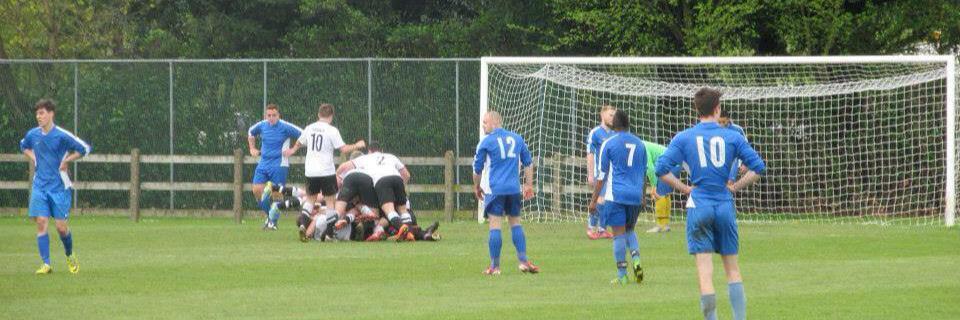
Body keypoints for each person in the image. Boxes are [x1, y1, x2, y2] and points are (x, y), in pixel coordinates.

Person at [656, 88, 766, 320]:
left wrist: (685, 189)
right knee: (733, 270)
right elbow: (758, 167)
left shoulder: (684, 137)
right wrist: (735, 186)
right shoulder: (733, 136)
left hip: (699, 205)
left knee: (705, 275)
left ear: (697, 110)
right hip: (724, 204)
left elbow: (661, 169)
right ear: (717, 109)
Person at [20, 99, 91, 274]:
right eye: (37, 113)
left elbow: (85, 149)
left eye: (42, 113)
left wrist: (67, 160)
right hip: (40, 186)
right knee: (41, 222)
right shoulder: (33, 134)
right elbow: (23, 146)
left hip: (59, 188)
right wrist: (34, 157)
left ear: (51, 114)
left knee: (61, 228)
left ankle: (69, 254)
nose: (39, 116)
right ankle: (46, 264)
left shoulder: (61, 135)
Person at [473, 111, 539, 275]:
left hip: (495, 189)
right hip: (514, 189)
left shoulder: (486, 141)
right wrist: (529, 184)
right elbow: (528, 163)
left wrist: (477, 186)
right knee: (515, 223)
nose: (483, 125)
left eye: (485, 122)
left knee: (495, 225)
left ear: (495, 122)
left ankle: (495, 266)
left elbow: (477, 169)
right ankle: (523, 261)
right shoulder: (517, 138)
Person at [588, 110, 647, 284]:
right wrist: (643, 197)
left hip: (616, 195)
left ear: (615, 124)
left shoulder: (609, 143)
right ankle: (636, 259)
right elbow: (643, 173)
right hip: (635, 195)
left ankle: (622, 275)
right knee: (630, 230)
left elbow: (601, 177)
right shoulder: (640, 144)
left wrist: (593, 201)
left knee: (618, 234)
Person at [283, 103, 364, 231]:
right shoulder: (332, 130)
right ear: (331, 116)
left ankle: (303, 225)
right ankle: (329, 234)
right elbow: (343, 149)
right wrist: (357, 145)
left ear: (318, 115)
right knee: (331, 202)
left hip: (311, 171)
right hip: (326, 171)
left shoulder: (309, 128)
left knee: (310, 200)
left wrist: (292, 150)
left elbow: (299, 141)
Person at [247, 103, 302, 230]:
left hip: (279, 164)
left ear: (279, 115)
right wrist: (252, 148)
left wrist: (293, 149)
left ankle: (273, 222)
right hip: (263, 163)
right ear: (266, 115)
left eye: (274, 115)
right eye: (269, 115)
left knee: (277, 194)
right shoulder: (262, 125)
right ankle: (269, 217)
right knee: (257, 190)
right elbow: (250, 132)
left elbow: (304, 135)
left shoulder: (285, 127)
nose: (271, 118)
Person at [585, 104, 617, 240]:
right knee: (601, 200)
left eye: (614, 116)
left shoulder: (615, 134)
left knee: (608, 201)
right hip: (600, 173)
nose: (613, 118)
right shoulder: (595, 133)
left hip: (613, 174)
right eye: (610, 115)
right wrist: (590, 174)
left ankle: (602, 228)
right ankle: (592, 227)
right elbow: (590, 154)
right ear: (602, 115)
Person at [642, 140, 680, 233]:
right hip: (676, 164)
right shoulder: (643, 144)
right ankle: (665, 225)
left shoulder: (642, 148)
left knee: (659, 193)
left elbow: (650, 168)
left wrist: (653, 186)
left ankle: (660, 225)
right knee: (665, 194)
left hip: (669, 165)